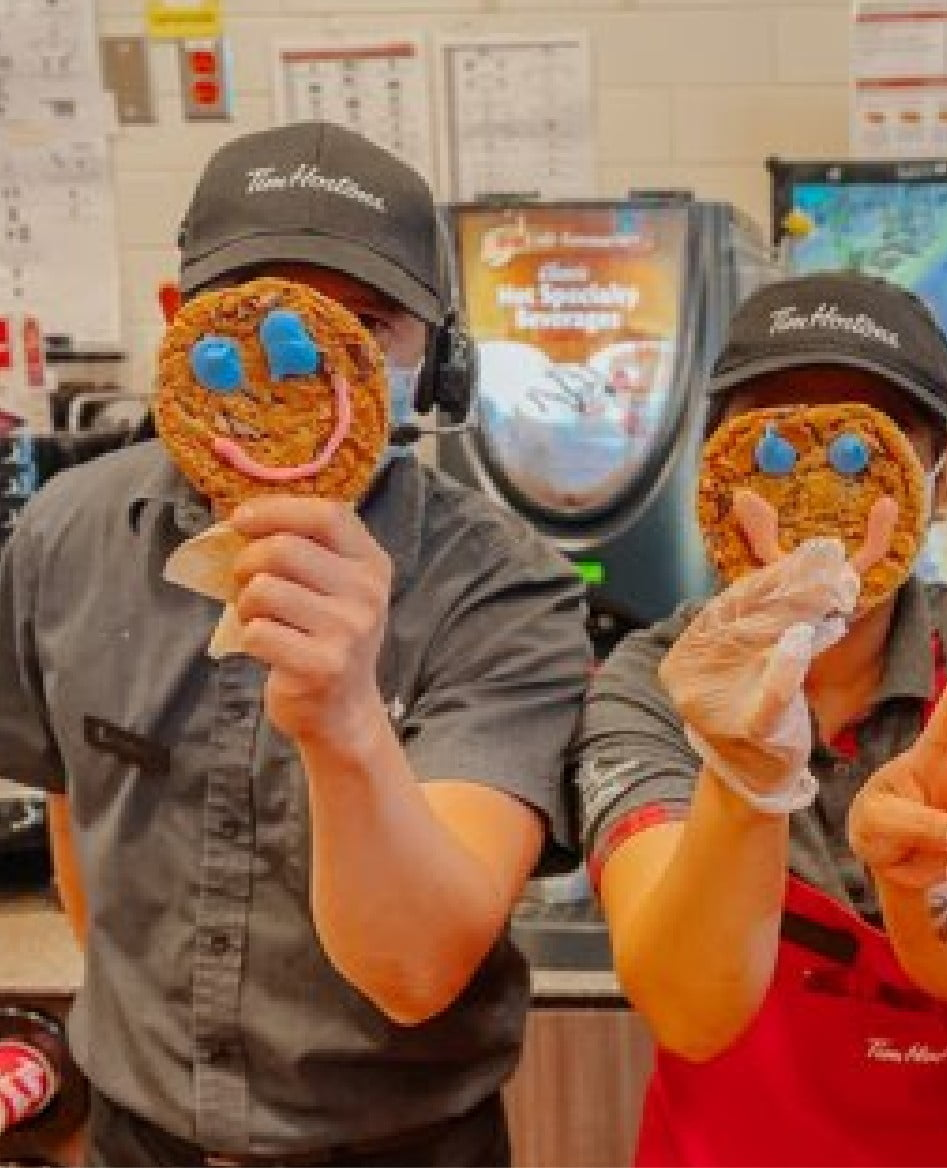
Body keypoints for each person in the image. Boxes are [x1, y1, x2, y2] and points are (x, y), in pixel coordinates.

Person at [0, 122, 591, 1166]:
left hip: (402, 1148)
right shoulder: (64, 535)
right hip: (135, 1140)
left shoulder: (505, 591)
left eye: (367, 323)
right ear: (181, 331)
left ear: (435, 363)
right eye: (266, 320)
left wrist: (348, 719)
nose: (301, 379)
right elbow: (72, 813)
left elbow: (417, 968)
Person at [577, 272, 947, 1165]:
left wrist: (926, 888)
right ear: (716, 478)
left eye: (864, 452)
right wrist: (742, 774)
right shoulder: (653, 677)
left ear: (943, 477)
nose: (818, 500)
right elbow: (688, 1005)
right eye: (774, 447)